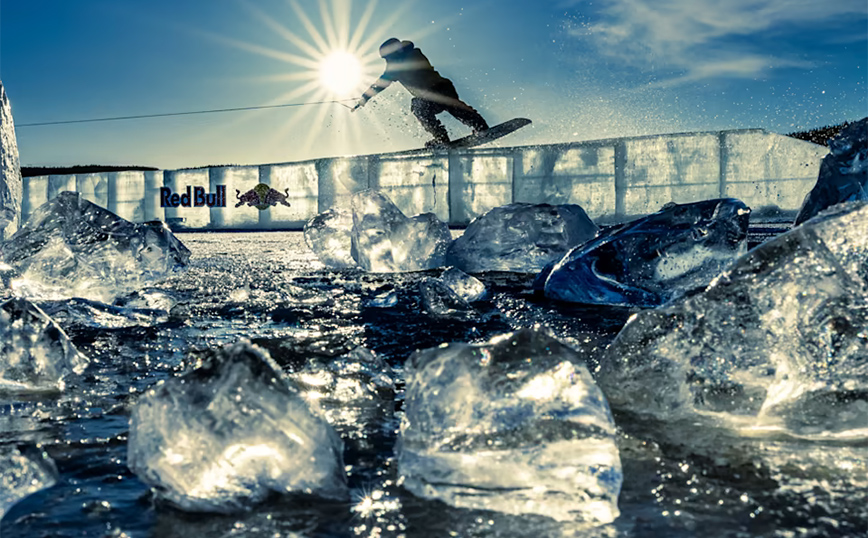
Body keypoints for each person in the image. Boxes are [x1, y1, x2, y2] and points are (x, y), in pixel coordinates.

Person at [352, 38, 489, 148]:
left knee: (449, 107)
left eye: (388, 58)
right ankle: (442, 138)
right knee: (420, 107)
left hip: (441, 89)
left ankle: (479, 126)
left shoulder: (413, 54)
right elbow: (379, 84)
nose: (387, 62)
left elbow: (387, 77)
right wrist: (365, 98)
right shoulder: (394, 67)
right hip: (432, 97)